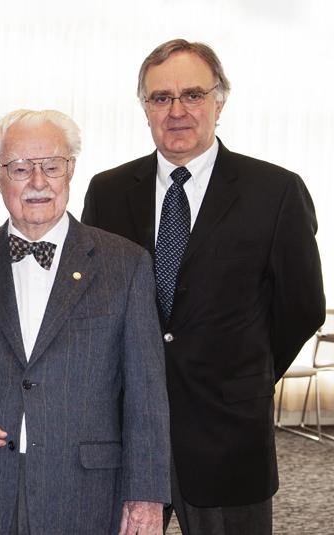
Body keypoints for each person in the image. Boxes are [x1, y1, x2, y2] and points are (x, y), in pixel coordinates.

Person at [82, 39, 326, 535]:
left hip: (228, 433)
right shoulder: (107, 192)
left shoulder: (275, 192)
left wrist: (247, 373)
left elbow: (302, 308)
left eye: (192, 95)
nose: (176, 111)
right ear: (144, 107)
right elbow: (92, 303)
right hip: (126, 433)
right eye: (160, 98)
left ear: (220, 101)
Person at [0, 109, 171, 535]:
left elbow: (147, 394)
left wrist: (147, 496)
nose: (39, 182)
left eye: (51, 166)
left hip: (85, 491)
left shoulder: (127, 264)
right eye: (21, 168)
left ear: (71, 170)